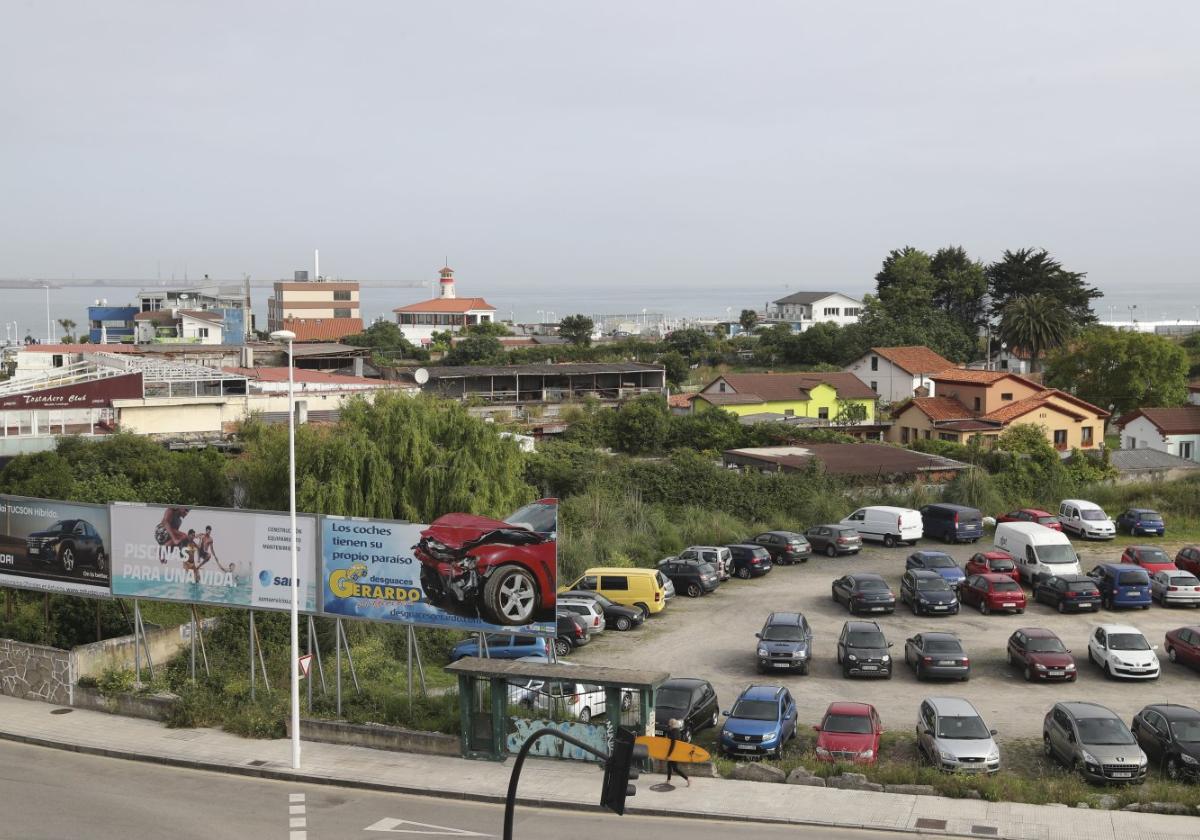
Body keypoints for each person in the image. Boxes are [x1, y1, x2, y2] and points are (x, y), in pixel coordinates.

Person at [665, 718, 690, 787]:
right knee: (669, 766)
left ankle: (687, 779)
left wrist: (669, 755)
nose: (668, 725)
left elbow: (672, 745)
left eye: (669, 724)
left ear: (672, 724)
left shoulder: (674, 733)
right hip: (676, 751)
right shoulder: (676, 731)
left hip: (674, 752)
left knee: (675, 768)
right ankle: (668, 780)